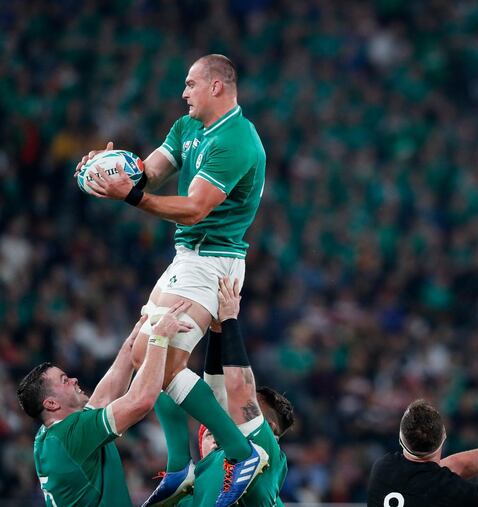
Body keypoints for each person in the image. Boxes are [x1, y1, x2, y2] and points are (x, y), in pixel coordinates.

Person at [74, 53, 268, 504]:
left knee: (155, 356)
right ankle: (180, 463)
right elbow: (150, 170)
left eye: (190, 84)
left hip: (213, 260)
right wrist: (107, 171)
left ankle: (241, 453)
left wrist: (135, 197)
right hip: (190, 256)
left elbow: (196, 207)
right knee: (148, 352)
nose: (184, 93)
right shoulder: (187, 128)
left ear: (216, 87)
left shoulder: (237, 141)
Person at [16, 303, 193, 507]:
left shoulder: (50, 435)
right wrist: (159, 338)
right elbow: (140, 401)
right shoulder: (70, 437)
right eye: (64, 380)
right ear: (51, 403)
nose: (73, 379)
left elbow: (103, 398)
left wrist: (131, 342)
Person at [144, 277, 292, 507]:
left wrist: (229, 319)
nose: (229, 409)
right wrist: (217, 328)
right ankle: (179, 467)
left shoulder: (267, 450)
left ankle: (178, 467)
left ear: (270, 428)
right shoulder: (202, 485)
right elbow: (216, 392)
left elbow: (239, 389)